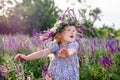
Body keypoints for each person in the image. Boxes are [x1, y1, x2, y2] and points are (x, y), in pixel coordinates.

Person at [15, 8, 83, 80]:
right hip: (55, 76)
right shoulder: (56, 46)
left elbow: (72, 50)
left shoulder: (73, 44)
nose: (72, 32)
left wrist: (67, 53)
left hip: (70, 77)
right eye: (69, 30)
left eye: (74, 30)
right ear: (60, 34)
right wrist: (27, 57)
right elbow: (43, 53)